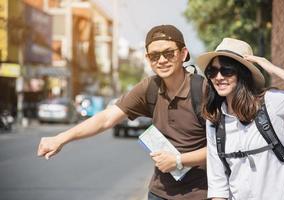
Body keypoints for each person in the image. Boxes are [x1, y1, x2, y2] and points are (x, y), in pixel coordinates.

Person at [37, 24, 208, 200]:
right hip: (159, 193)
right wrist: (60, 139)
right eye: (154, 56)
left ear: (183, 53)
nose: (162, 60)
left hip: (200, 194)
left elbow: (222, 148)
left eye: (169, 53)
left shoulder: (203, 91)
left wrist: (179, 161)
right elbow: (106, 118)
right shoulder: (149, 87)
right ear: (148, 59)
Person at [197, 37, 284, 200]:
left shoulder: (271, 102)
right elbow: (218, 182)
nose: (218, 77)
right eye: (212, 71)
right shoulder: (215, 120)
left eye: (227, 70)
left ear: (242, 74)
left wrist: (272, 69)